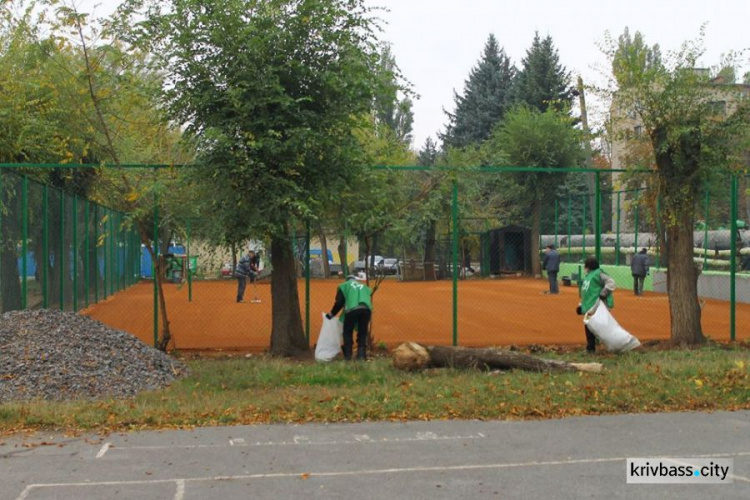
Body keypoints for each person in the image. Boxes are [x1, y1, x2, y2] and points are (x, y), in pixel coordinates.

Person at [326, 275, 373, 361]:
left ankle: (348, 356)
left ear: (346, 280)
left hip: (352, 309)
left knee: (347, 331)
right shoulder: (364, 286)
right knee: (362, 332)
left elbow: (339, 303)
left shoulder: (344, 286)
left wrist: (331, 314)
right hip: (366, 310)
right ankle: (361, 355)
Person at [576, 257, 615, 353]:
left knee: (599, 326)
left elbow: (611, 282)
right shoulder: (589, 276)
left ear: (589, 267)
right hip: (590, 307)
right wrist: (581, 305)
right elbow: (587, 294)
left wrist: (604, 292)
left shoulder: (599, 274)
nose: (584, 268)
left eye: (585, 266)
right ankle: (590, 348)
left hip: (599, 306)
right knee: (588, 325)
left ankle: (608, 345)